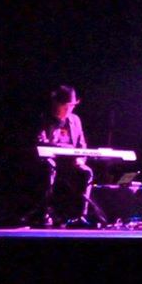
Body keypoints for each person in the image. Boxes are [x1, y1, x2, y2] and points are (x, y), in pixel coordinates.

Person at [37, 85, 94, 226]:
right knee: (49, 167)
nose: (69, 110)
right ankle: (45, 212)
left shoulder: (75, 120)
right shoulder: (44, 119)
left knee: (86, 172)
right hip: (52, 160)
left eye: (72, 106)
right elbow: (40, 143)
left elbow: (82, 145)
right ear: (56, 104)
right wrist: (59, 147)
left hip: (70, 162)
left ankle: (81, 215)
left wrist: (80, 159)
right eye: (65, 106)